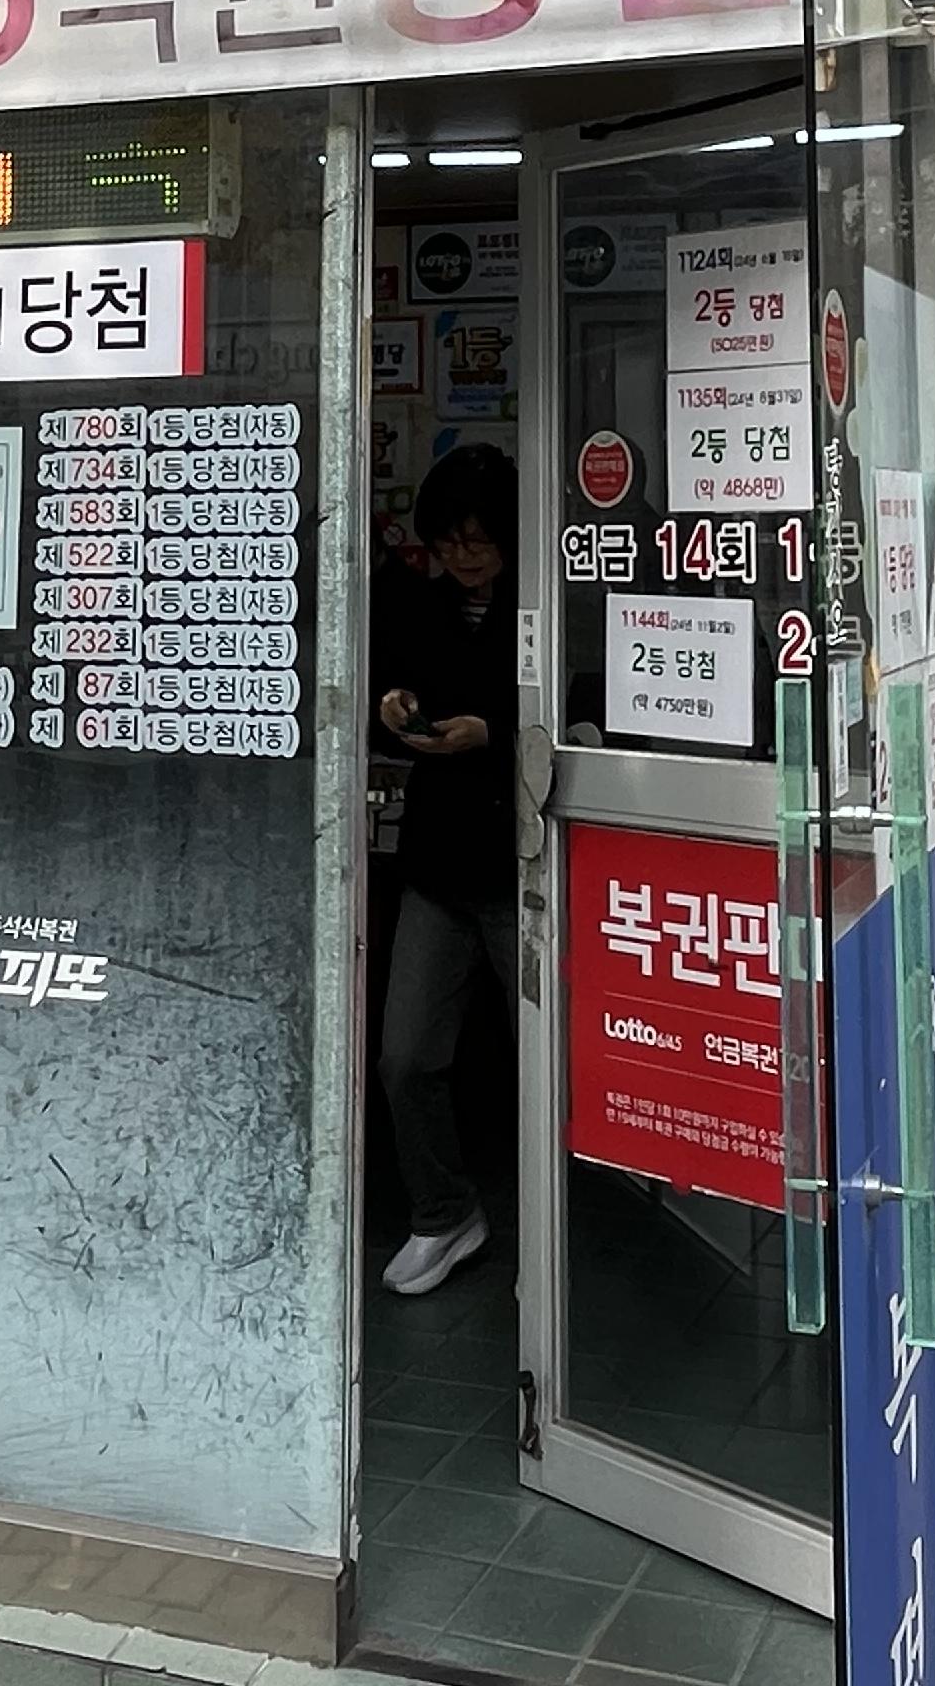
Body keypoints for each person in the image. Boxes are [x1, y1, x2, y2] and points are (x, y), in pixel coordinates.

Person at [373, 441, 520, 1297]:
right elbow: (390, 694)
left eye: (478, 539)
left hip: (522, 865)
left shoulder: (548, 602)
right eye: (448, 540)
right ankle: (443, 1214)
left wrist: (491, 735)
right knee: (404, 1058)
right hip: (437, 865)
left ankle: (565, 1238)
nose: (462, 556)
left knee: (547, 1061)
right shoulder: (420, 606)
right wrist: (395, 708)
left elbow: (585, 713)